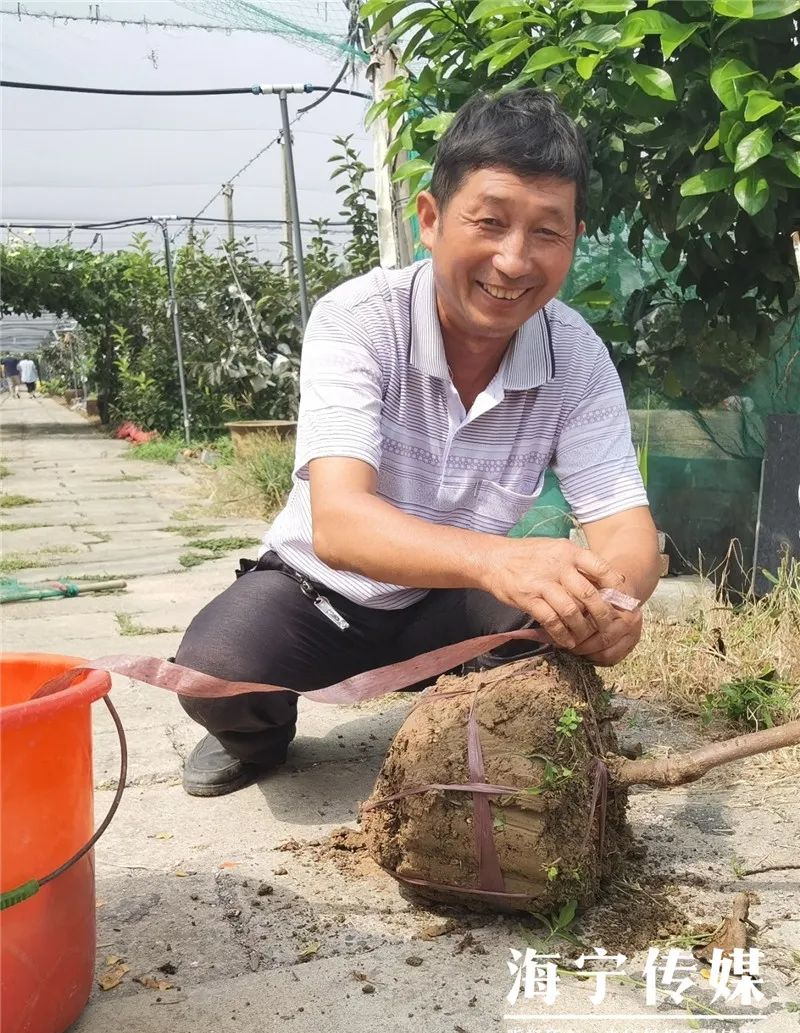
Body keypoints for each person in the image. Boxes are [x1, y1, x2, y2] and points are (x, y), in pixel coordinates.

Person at [176, 88, 661, 798]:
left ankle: (467, 727)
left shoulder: (577, 358)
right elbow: (341, 522)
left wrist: (611, 603)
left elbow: (627, 531)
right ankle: (260, 736)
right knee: (213, 666)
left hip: (456, 603)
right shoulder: (358, 320)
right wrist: (500, 559)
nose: (514, 260)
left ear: (574, 240)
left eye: (546, 233)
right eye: (489, 222)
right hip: (324, 593)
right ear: (430, 219)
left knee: (551, 610)